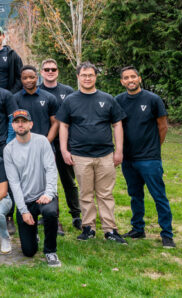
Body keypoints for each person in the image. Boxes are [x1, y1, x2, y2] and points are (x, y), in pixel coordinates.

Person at [57, 61, 127, 244]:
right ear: (78, 77)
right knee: (85, 193)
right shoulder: (70, 100)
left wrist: (119, 150)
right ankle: (88, 228)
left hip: (105, 155)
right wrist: (64, 150)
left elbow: (117, 124)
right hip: (80, 155)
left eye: (90, 75)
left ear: (95, 77)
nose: (87, 78)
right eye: (83, 75)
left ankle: (110, 230)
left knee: (105, 194)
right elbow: (63, 125)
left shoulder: (107, 99)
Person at [116, 66, 174, 248]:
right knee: (135, 195)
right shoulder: (118, 100)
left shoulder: (153, 99)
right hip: (128, 158)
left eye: (133, 76)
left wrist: (155, 148)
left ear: (139, 78)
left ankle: (167, 234)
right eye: (126, 77)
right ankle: (138, 228)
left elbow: (162, 126)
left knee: (159, 196)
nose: (130, 80)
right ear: (122, 81)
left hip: (149, 158)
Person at [4, 110, 61, 267]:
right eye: (17, 122)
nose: (20, 124)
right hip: (26, 200)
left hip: (44, 196)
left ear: (31, 124)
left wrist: (49, 194)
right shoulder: (9, 150)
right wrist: (23, 210)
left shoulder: (42, 141)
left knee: (50, 213)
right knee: (28, 252)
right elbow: (14, 183)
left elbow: (51, 168)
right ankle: (33, 232)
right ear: (13, 125)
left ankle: (51, 251)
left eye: (24, 121)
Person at [16, 65, 64, 235]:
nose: (28, 81)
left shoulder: (49, 97)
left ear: (37, 77)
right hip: (22, 148)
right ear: (21, 80)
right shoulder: (16, 99)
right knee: (26, 182)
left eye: (31, 77)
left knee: (49, 182)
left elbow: (55, 123)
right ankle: (31, 218)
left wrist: (45, 142)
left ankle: (54, 219)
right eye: (25, 78)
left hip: (45, 146)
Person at [38, 58, 81, 230]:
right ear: (41, 72)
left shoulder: (67, 91)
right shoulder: (36, 90)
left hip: (64, 143)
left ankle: (76, 215)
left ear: (57, 71)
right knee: (45, 182)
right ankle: (48, 214)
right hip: (43, 143)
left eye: (53, 69)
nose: (50, 72)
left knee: (68, 180)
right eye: (46, 69)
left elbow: (74, 116)